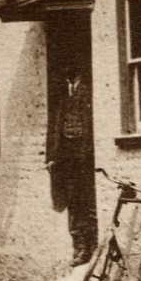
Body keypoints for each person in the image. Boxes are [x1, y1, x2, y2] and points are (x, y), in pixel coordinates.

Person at [47, 64, 97, 267]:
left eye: (73, 72)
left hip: (84, 154)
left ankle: (89, 246)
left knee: (85, 199)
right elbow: (54, 124)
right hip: (66, 153)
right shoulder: (62, 92)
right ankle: (79, 245)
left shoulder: (89, 90)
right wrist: (51, 155)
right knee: (71, 199)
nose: (70, 76)